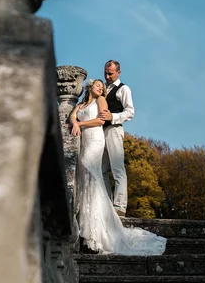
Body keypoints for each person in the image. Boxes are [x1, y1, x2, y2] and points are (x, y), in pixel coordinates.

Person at [70, 79, 166, 255]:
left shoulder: (103, 99)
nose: (101, 87)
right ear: (89, 87)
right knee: (89, 175)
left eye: (102, 86)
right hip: (86, 139)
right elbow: (73, 114)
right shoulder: (82, 103)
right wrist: (74, 121)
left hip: (96, 138)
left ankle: (111, 215)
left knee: (98, 172)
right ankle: (89, 219)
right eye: (98, 85)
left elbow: (101, 120)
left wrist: (80, 124)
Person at [97, 60, 134, 217]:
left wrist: (113, 116)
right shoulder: (103, 89)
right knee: (101, 169)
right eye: (105, 72)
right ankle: (107, 204)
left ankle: (120, 207)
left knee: (117, 169)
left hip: (114, 129)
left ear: (118, 72)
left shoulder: (124, 89)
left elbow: (130, 112)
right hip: (100, 131)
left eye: (110, 73)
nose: (107, 76)